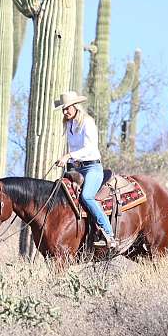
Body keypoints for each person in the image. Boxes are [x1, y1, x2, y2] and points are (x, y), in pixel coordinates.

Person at [54, 91, 117, 249]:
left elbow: (89, 149)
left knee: (87, 196)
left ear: (75, 106)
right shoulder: (69, 125)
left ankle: (109, 234)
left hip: (92, 167)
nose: (65, 111)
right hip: (77, 168)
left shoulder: (87, 122)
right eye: (63, 109)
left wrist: (68, 156)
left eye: (67, 108)